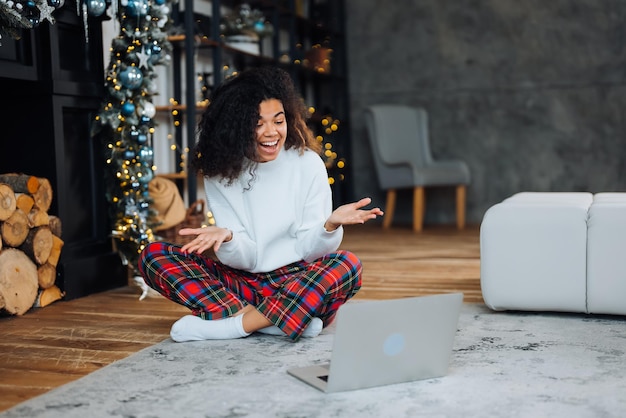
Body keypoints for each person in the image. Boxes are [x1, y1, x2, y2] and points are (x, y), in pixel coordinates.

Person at [138, 66, 383, 342]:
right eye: (258, 123)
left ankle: (234, 325)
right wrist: (229, 238)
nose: (271, 133)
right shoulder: (221, 171)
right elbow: (249, 258)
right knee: (154, 255)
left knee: (347, 265)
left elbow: (309, 251)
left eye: (278, 121)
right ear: (237, 128)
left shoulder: (308, 163)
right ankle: (274, 321)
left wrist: (329, 225)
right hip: (244, 283)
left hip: (297, 281)